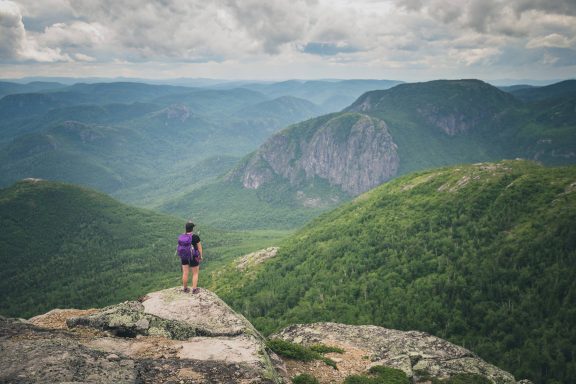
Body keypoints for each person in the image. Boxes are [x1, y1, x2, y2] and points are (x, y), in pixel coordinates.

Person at [176, 221, 203, 294]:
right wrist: (201, 256)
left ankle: (185, 288)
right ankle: (194, 289)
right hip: (193, 257)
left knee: (185, 273)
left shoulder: (181, 237)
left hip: (184, 257)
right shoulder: (195, 237)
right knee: (195, 273)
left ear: (186, 228)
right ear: (192, 229)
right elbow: (200, 248)